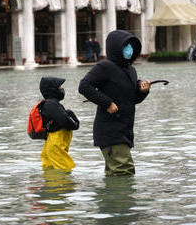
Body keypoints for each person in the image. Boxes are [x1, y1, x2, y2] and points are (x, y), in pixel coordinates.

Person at [78, 30, 151, 176]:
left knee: (116, 172)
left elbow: (132, 99)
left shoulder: (131, 70)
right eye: (126, 46)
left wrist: (143, 92)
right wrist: (107, 103)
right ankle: (120, 199)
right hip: (110, 131)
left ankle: (112, 199)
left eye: (131, 46)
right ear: (116, 47)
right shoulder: (105, 66)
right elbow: (84, 86)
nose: (129, 49)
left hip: (125, 130)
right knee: (124, 171)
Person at [39, 77, 80, 171]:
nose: (62, 89)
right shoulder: (52, 104)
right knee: (64, 169)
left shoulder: (48, 104)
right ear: (52, 90)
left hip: (52, 143)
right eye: (60, 87)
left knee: (50, 169)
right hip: (55, 143)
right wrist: (74, 120)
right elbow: (65, 121)